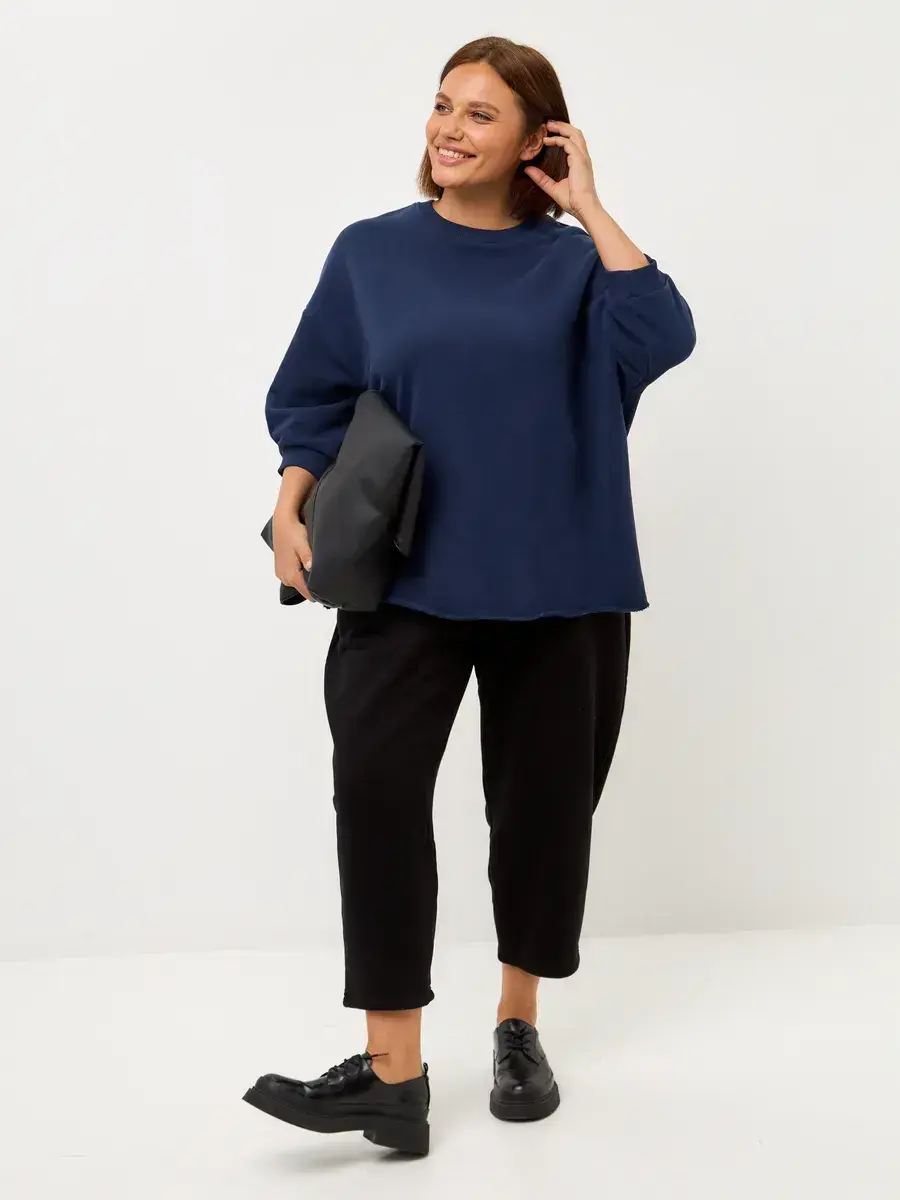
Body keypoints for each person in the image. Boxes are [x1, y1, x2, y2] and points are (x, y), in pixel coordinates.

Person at [242, 35, 695, 1157]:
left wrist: (588, 205)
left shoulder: (578, 265)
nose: (449, 128)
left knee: (540, 814)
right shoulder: (372, 253)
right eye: (444, 105)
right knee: (377, 799)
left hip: (561, 579)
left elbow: (664, 335)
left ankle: (518, 1026)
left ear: (539, 138)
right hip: (405, 579)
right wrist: (291, 507)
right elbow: (314, 397)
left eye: (481, 114)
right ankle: (391, 1075)